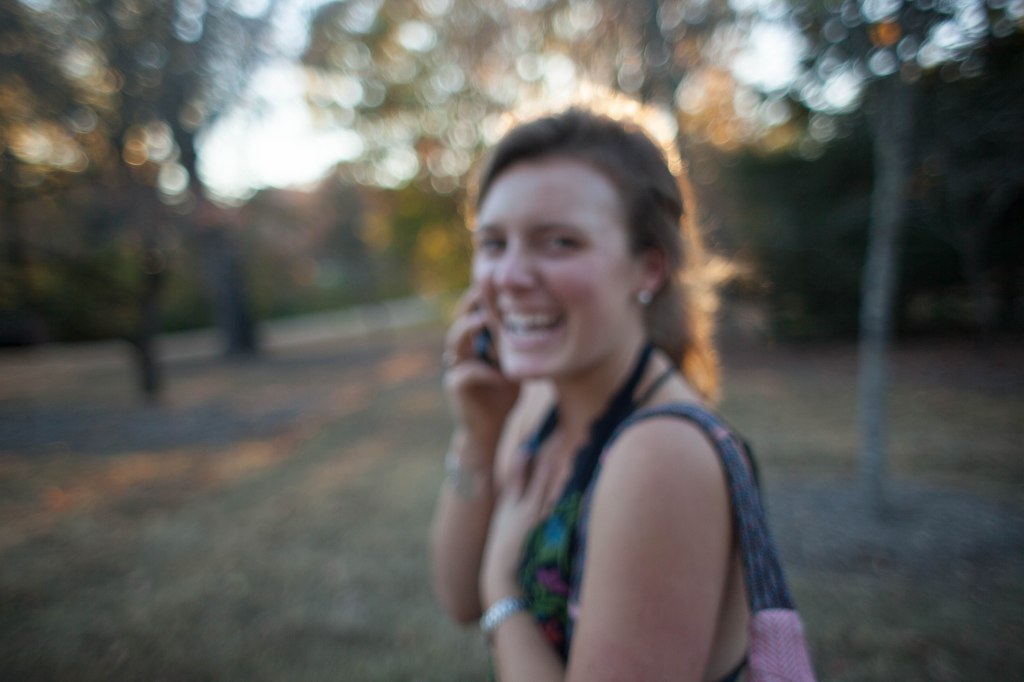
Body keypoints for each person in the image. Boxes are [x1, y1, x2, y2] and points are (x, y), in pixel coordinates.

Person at [430, 102, 750, 681]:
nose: (510, 277)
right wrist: (477, 436)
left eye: (559, 242)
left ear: (648, 269)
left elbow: (482, 594)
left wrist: (503, 588)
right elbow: (457, 599)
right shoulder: (537, 403)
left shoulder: (661, 456)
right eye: (494, 243)